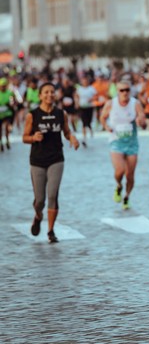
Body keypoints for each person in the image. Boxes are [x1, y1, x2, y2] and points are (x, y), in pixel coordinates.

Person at [22, 82, 80, 243]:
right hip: (37, 161)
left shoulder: (61, 114)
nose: (49, 95)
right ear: (40, 95)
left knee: (53, 195)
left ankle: (50, 230)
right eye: (46, 92)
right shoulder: (32, 115)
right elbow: (24, 137)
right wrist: (33, 138)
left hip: (56, 159)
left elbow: (67, 133)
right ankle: (38, 216)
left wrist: (73, 138)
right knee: (39, 200)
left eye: (52, 92)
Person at [100, 79, 146, 210]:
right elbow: (102, 117)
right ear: (117, 91)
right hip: (116, 142)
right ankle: (119, 186)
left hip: (132, 143)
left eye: (127, 90)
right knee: (119, 171)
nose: (125, 93)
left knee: (130, 175)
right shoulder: (111, 104)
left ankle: (126, 197)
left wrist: (140, 122)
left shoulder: (135, 104)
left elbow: (143, 122)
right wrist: (106, 126)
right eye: (122, 90)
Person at [76, 74, 96, 148]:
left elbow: (95, 95)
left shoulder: (91, 88)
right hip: (82, 107)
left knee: (89, 122)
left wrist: (91, 99)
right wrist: (77, 103)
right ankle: (84, 138)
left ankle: (90, 131)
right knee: (84, 122)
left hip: (89, 107)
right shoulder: (80, 89)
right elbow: (77, 96)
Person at [0, 77, 16, 151]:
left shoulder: (9, 92)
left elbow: (14, 100)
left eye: (4, 86)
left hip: (7, 114)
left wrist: (11, 104)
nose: (3, 87)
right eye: (1, 86)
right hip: (0, 114)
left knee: (6, 127)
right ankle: (1, 143)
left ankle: (7, 140)